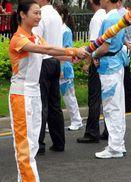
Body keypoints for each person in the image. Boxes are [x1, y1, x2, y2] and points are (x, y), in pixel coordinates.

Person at [9, 0, 87, 180]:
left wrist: (72, 56)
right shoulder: (18, 39)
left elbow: (51, 53)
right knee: (25, 148)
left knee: (32, 146)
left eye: (39, 13)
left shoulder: (36, 37)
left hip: (35, 94)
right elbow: (46, 48)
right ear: (22, 14)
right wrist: (72, 50)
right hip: (21, 96)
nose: (38, 16)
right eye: (35, 13)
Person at [92, 0, 128, 159]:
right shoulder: (119, 17)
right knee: (118, 105)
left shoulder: (108, 20)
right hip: (117, 64)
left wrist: (93, 54)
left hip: (108, 67)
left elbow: (105, 47)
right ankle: (119, 143)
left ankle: (114, 148)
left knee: (110, 107)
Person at [32, 0, 67, 154]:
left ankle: (38, 144)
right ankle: (59, 142)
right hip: (55, 61)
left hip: (43, 61)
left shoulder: (40, 15)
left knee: (41, 104)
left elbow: (36, 43)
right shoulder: (55, 14)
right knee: (55, 104)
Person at [76, 0, 107, 143]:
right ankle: (108, 131)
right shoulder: (107, 15)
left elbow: (93, 44)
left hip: (97, 60)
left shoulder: (96, 18)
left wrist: (87, 62)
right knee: (107, 97)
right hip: (108, 61)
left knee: (94, 98)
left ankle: (92, 132)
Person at [56, 5, 83, 131]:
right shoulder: (57, 30)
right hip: (57, 66)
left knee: (69, 96)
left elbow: (67, 51)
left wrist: (61, 69)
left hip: (64, 67)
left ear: (61, 16)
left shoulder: (65, 31)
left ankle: (77, 121)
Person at [117, 0, 131, 113]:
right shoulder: (129, 13)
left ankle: (124, 105)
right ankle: (128, 105)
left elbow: (119, 33)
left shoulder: (118, 14)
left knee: (121, 76)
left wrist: (127, 44)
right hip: (129, 49)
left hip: (122, 47)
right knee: (127, 76)